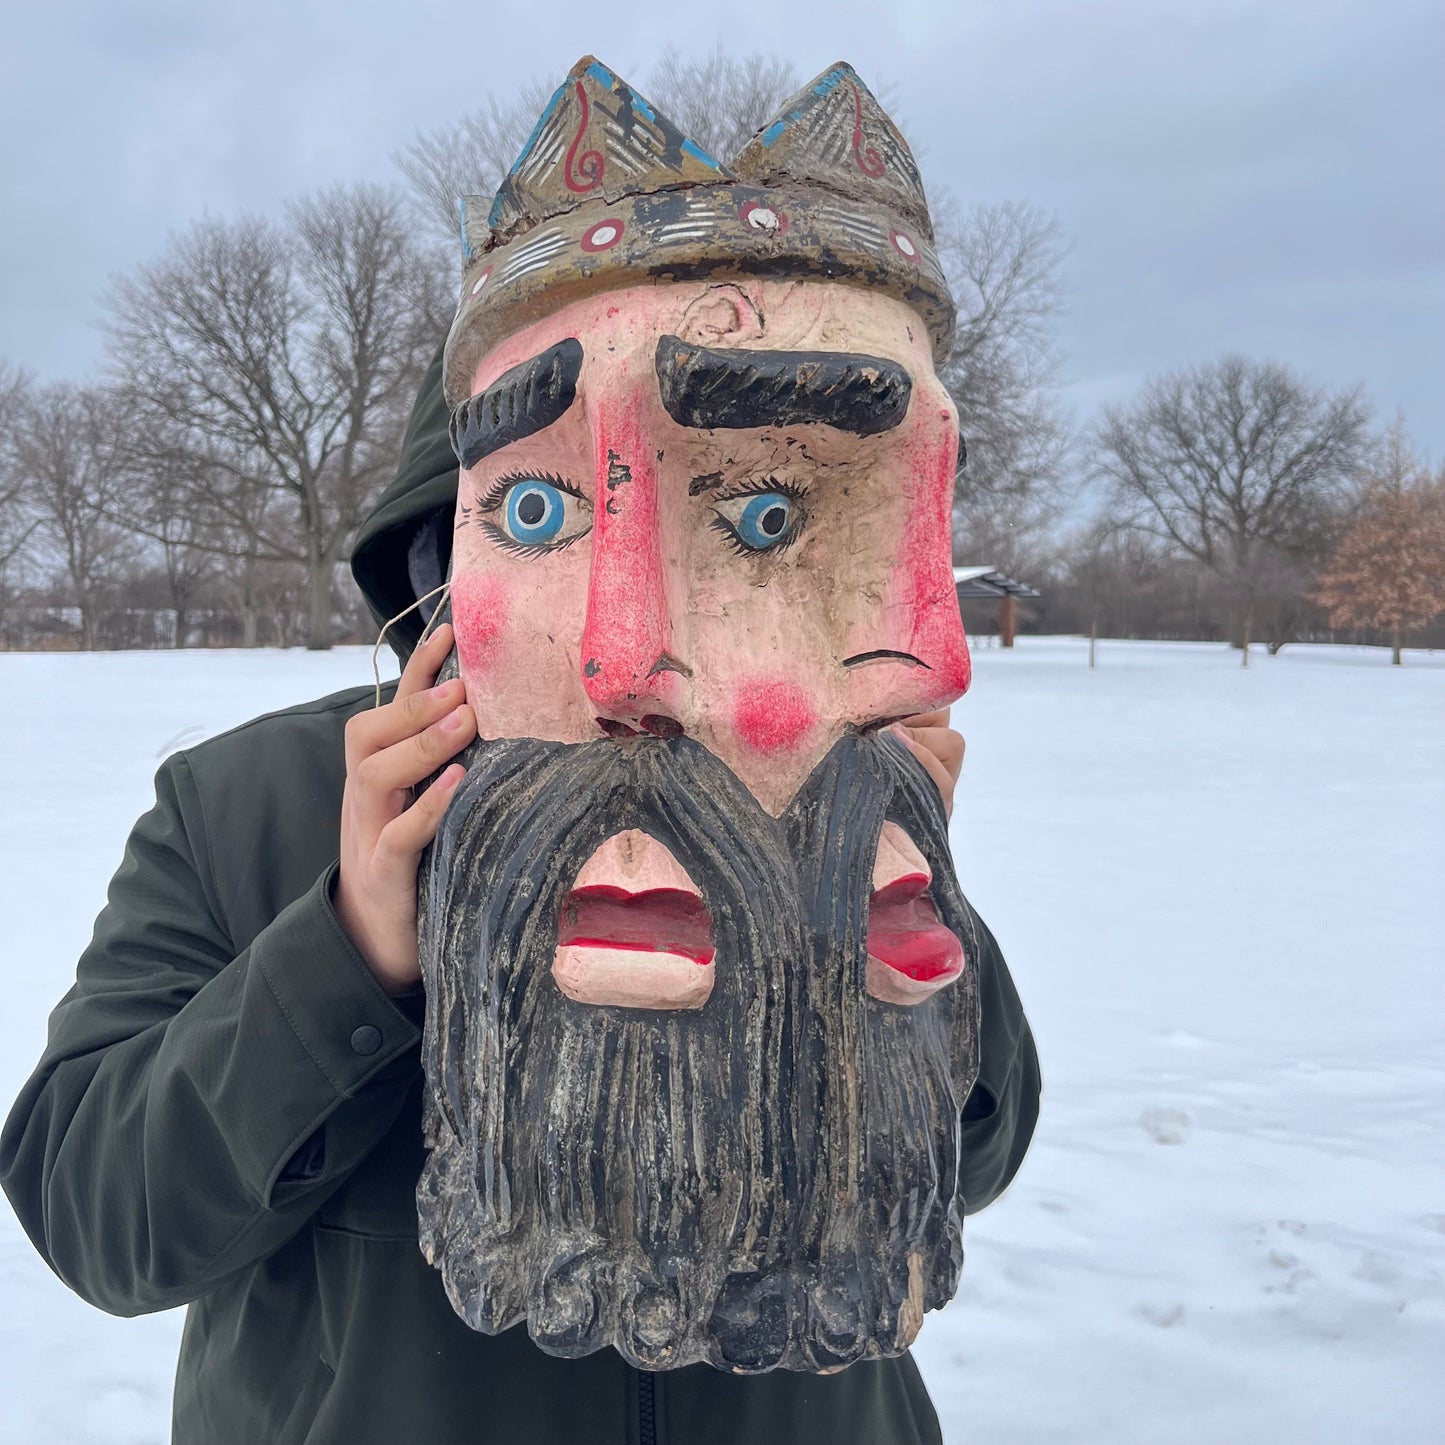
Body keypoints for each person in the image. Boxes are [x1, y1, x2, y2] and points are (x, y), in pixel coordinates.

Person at [1, 59, 1041, 1445]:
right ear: (438, 570)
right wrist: (345, 952)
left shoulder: (834, 794)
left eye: (766, 524)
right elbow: (99, 1214)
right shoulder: (244, 808)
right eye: (541, 514)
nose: (640, 669)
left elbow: (971, 1158)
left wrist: (901, 925)